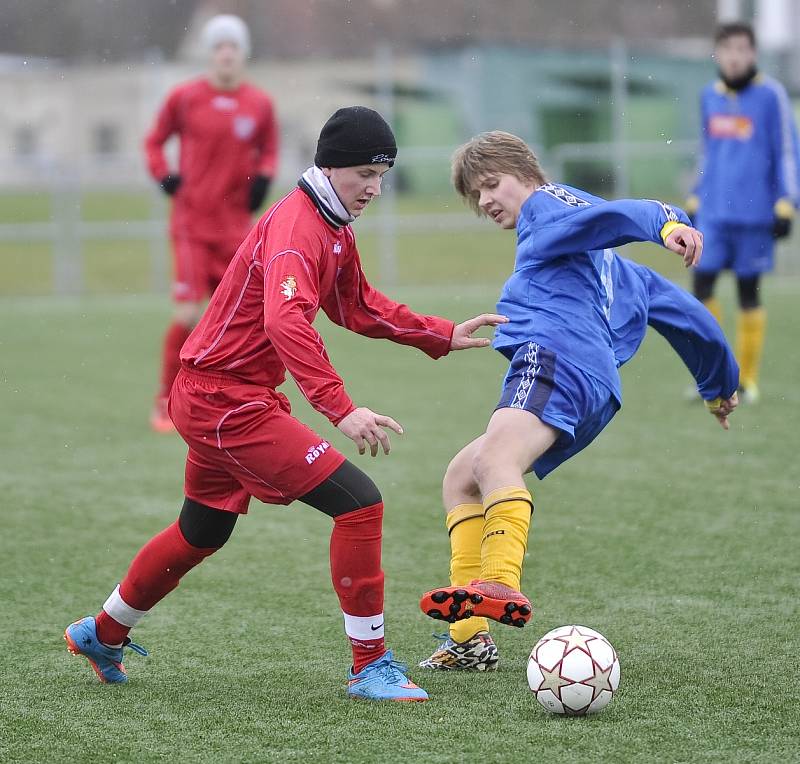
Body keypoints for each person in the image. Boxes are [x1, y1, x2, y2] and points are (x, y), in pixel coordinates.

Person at [65, 107, 506, 702]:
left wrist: (437, 333)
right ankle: (369, 665)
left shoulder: (334, 224)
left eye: (384, 173)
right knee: (360, 505)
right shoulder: (299, 229)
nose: (375, 187)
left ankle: (104, 630)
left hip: (219, 394)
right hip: (224, 400)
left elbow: (358, 306)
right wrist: (341, 408)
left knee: (202, 529)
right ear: (331, 167)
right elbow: (285, 320)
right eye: (365, 173)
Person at [417, 131, 739, 671]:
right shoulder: (614, 267)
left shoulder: (547, 205)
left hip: (555, 358)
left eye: (493, 184)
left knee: (494, 461)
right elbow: (688, 316)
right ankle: (470, 639)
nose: (488, 200)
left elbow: (613, 214)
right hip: (594, 387)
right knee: (461, 476)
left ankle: (499, 582)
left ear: (528, 174)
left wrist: (665, 222)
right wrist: (718, 386)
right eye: (478, 196)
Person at [145, 14, 279, 432]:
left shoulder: (259, 104)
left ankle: (236, 397)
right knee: (186, 314)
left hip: (235, 231)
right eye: (219, 46)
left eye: (233, 46)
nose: (226, 53)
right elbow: (153, 141)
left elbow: (270, 150)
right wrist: (162, 173)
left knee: (244, 321)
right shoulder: (184, 98)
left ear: (243, 54)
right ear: (209, 53)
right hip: (190, 226)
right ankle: (165, 400)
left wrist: (265, 177)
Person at [685, 21, 800, 404]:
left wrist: (787, 201)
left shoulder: (772, 96)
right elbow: (707, 152)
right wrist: (696, 195)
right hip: (714, 214)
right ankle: (717, 377)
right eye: (727, 49)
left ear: (752, 54)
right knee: (700, 288)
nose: (734, 57)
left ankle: (747, 380)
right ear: (718, 55)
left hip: (755, 216)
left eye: (741, 50)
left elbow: (786, 150)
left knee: (748, 292)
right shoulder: (709, 96)